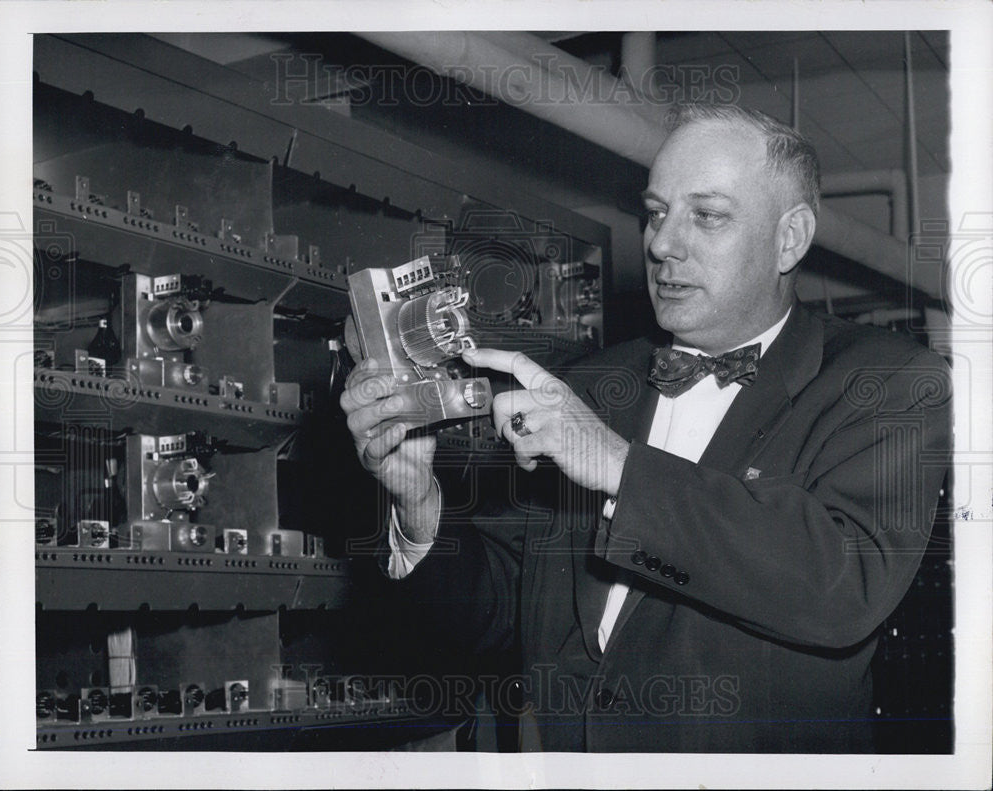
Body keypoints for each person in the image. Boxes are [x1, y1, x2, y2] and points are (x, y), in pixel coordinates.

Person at [340, 103, 951, 752]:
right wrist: (420, 506)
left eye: (706, 215)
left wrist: (620, 467)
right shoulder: (594, 383)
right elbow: (498, 608)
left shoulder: (889, 381)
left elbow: (840, 583)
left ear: (790, 238)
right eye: (657, 212)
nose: (660, 243)